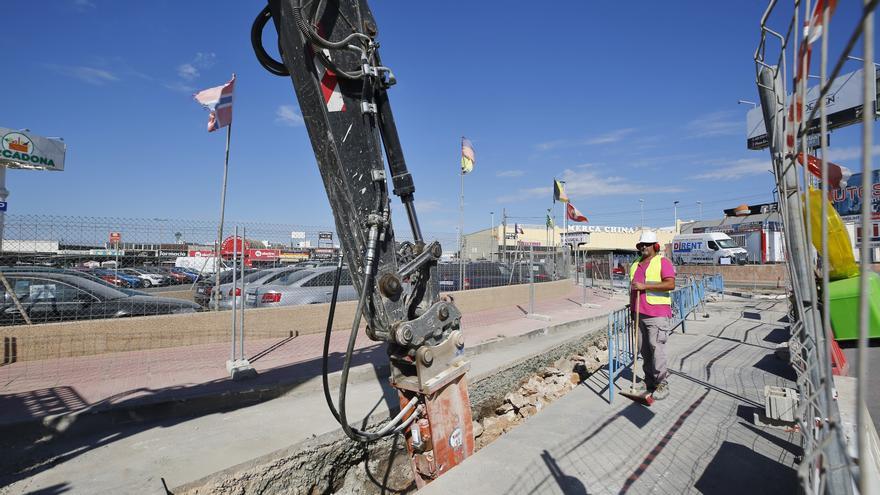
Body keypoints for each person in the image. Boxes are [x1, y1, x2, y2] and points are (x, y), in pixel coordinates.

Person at [629, 231, 676, 400]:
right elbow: (633, 287)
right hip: (639, 313)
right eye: (641, 245)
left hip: (656, 313)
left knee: (656, 349)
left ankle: (662, 383)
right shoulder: (635, 263)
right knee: (645, 350)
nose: (643, 247)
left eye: (646, 245)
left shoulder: (662, 262)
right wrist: (632, 308)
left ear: (655, 246)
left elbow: (671, 284)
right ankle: (649, 380)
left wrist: (645, 286)